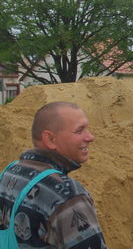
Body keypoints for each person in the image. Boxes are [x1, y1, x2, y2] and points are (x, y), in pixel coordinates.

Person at [0, 101, 107, 249]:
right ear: (50, 139)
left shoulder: (9, 172)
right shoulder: (67, 194)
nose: (90, 137)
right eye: (79, 131)